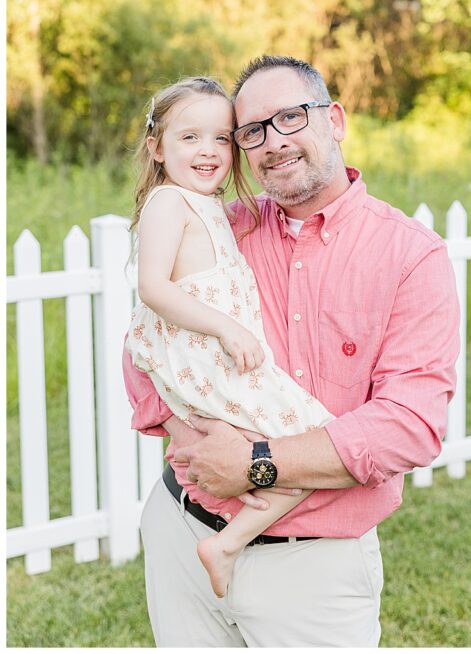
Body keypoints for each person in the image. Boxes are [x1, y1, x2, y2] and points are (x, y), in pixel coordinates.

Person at [122, 56, 460, 647]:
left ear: (335, 119)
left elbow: (410, 425)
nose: (272, 142)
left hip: (314, 571)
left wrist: (255, 461)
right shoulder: (222, 229)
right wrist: (189, 437)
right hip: (181, 531)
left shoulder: (410, 255)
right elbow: (146, 343)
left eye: (290, 117)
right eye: (251, 130)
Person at [125, 76, 336, 600]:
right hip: (208, 357)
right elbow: (151, 288)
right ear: (156, 147)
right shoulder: (168, 203)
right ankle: (227, 542)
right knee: (314, 438)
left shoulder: (212, 208)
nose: (208, 151)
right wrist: (227, 325)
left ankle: (229, 541)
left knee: (302, 451)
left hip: (223, 354)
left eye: (221, 138)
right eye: (189, 137)